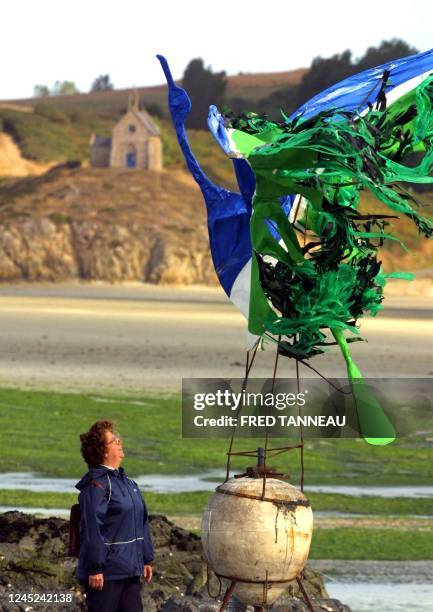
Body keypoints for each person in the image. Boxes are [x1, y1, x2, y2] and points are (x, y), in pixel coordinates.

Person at [76, 420, 153, 612]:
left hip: (130, 570)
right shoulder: (96, 486)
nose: (120, 443)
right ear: (103, 451)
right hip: (105, 574)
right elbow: (92, 529)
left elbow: (141, 521)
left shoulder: (128, 484)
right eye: (115, 441)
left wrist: (145, 558)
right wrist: (96, 568)